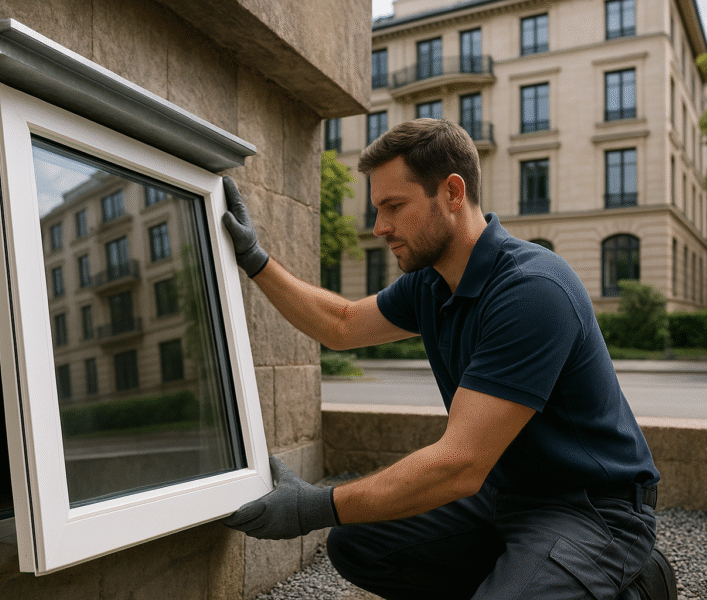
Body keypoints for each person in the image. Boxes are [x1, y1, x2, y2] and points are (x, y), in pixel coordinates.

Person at [220, 119, 676, 599]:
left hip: (592, 508)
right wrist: (255, 260)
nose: (379, 227)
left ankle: (636, 585)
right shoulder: (432, 282)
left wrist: (310, 507)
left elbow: (460, 464)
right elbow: (342, 324)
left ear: (453, 193)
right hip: (503, 495)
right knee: (358, 544)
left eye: (394, 206)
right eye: (377, 209)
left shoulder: (532, 290)